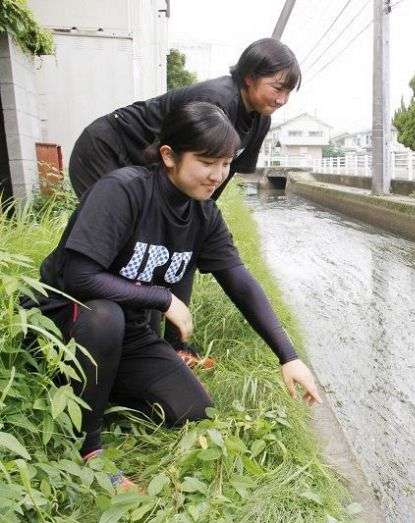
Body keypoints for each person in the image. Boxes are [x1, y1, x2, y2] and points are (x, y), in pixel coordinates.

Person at [28, 101, 321, 491]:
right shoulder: (123, 191)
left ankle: (96, 387)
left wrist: (289, 356)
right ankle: (87, 449)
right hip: (65, 320)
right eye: (207, 162)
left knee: (195, 411)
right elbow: (78, 276)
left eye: (226, 163)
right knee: (105, 315)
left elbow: (239, 281)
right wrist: (162, 299)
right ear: (169, 155)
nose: (218, 175)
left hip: (127, 333)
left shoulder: (203, 214)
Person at [67, 37, 300, 363]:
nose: (282, 98)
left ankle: (169, 345)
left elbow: (222, 177)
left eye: (289, 92)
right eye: (277, 88)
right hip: (108, 148)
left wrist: (201, 223)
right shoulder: (216, 101)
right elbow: (164, 174)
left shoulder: (259, 119)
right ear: (249, 77)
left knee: (181, 243)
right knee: (124, 251)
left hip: (150, 165)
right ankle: (98, 335)